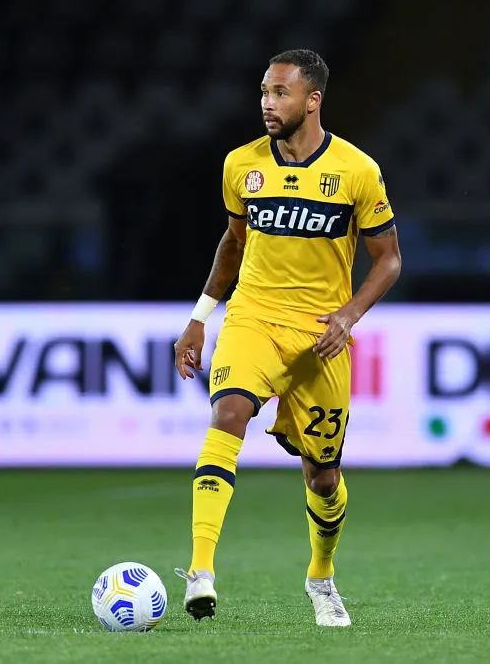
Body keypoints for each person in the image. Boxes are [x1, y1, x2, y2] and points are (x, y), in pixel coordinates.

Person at [172, 49, 402, 627]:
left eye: (280, 93)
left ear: (312, 99)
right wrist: (201, 315)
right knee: (228, 413)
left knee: (323, 476)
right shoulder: (241, 165)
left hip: (321, 337)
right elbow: (233, 242)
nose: (267, 104)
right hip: (253, 318)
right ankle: (201, 570)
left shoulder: (356, 170)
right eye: (264, 93)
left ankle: (321, 577)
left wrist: (348, 315)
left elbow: (389, 260)